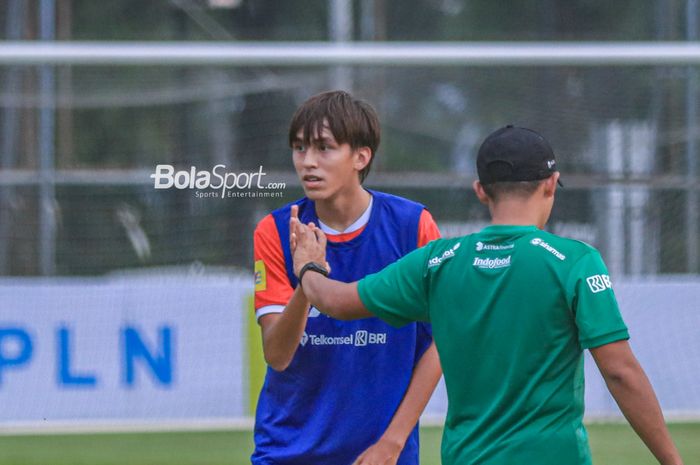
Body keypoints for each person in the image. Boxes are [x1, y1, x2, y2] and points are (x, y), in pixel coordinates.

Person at [289, 125, 685, 465]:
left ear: (481, 191)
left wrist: (308, 266)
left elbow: (336, 301)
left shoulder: (437, 261)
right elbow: (620, 371)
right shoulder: (574, 262)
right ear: (550, 184)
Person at [251, 90, 443, 465]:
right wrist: (308, 279)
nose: (308, 162)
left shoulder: (412, 227)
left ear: (361, 156)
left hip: (383, 454)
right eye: (299, 148)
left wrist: (394, 441)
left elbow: (441, 342)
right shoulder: (276, 230)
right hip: (289, 451)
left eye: (324, 148)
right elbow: (276, 355)